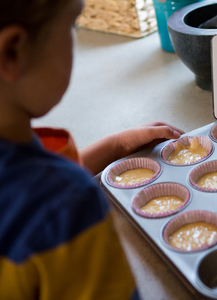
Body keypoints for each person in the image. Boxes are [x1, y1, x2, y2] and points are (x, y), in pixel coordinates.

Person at [0, 0, 184, 299]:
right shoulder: (65, 204)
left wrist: (116, 145)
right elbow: (48, 196)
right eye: (71, 25)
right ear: (13, 51)